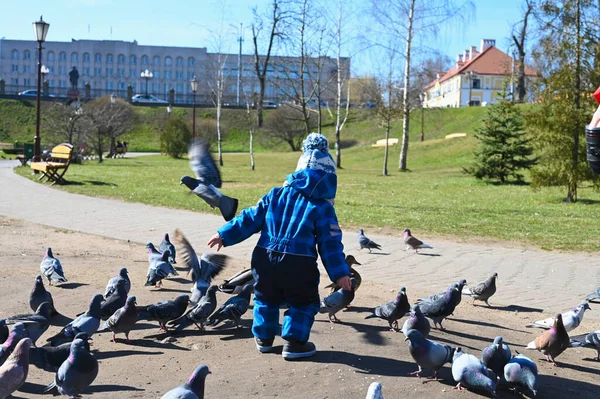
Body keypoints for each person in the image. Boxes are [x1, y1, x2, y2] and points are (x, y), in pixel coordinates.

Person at [207, 133, 351, 360]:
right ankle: (294, 343)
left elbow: (250, 218)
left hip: (264, 257)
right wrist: (340, 273)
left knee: (265, 297)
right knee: (303, 302)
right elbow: (330, 243)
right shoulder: (323, 207)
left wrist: (224, 234)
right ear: (328, 179)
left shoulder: (275, 194)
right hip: (299, 263)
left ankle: (264, 338)